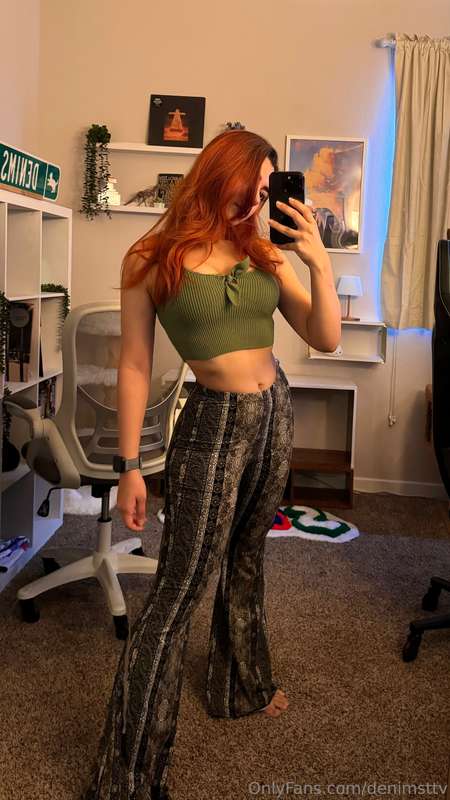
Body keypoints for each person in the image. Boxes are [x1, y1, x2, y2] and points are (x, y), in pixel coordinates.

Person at [83, 129, 341, 800]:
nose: (258, 201)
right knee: (178, 590)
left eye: (266, 190)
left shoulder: (264, 250)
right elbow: (134, 365)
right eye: (250, 187)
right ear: (217, 175)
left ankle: (240, 685)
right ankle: (129, 774)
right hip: (211, 425)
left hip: (273, 415)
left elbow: (325, 336)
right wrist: (130, 465)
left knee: (248, 557)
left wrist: (318, 263)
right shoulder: (151, 257)